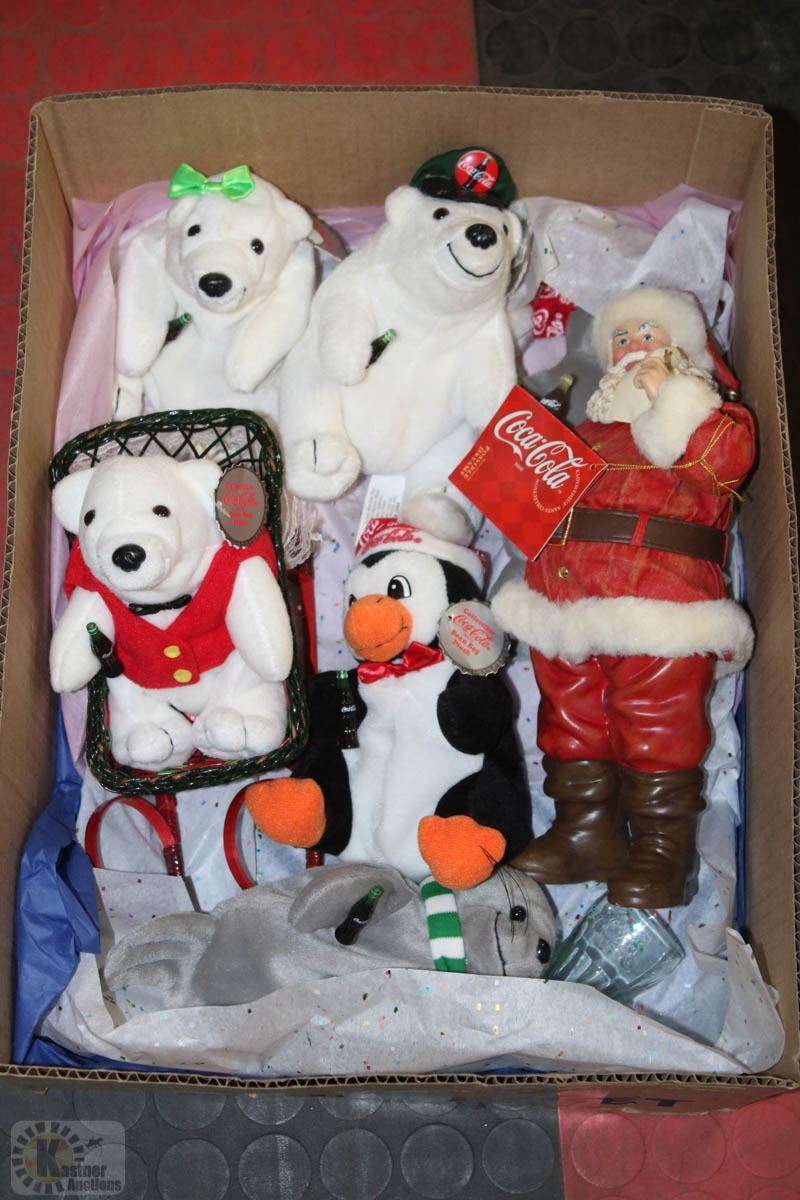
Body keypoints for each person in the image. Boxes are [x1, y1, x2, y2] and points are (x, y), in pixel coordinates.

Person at [492, 286, 756, 908]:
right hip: (566, 600)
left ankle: (664, 851)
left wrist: (678, 400)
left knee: (657, 722)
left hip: (660, 602)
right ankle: (587, 831)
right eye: (621, 337)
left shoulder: (712, 420)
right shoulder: (586, 430)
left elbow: (726, 465)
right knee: (571, 719)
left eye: (648, 334)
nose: (633, 346)